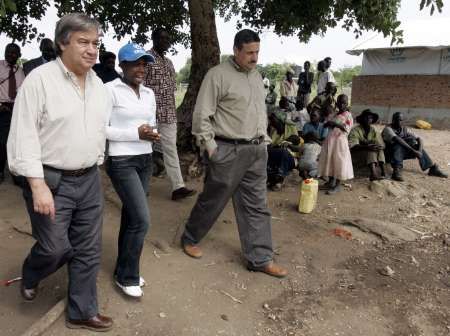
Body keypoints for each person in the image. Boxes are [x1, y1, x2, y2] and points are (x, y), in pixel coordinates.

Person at [7, 13, 113, 331]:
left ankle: (81, 310)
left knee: (88, 249)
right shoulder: (39, 81)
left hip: (90, 180)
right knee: (55, 248)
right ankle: (32, 272)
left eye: (96, 43)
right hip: (52, 182)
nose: (92, 50)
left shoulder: (99, 86)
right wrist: (37, 185)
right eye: (83, 42)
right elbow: (23, 134)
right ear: (62, 43)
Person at [181, 29, 287, 278]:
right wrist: (211, 148)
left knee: (257, 206)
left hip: (256, 151)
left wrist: (265, 141)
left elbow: (258, 112)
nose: (254, 57)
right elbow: (201, 115)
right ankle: (189, 238)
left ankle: (259, 258)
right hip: (227, 150)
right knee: (213, 200)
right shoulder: (217, 75)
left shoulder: (257, 76)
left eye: (257, 52)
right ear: (236, 50)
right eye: (249, 52)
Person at [105, 43, 158, 298]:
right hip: (121, 161)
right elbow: (100, 128)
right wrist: (133, 133)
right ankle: (127, 277)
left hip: (144, 160)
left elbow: (151, 124)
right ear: (122, 65)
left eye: (144, 63)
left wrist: (151, 135)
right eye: (136, 63)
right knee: (141, 219)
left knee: (131, 217)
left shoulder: (149, 93)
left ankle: (125, 270)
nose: (141, 68)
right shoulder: (109, 91)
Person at [144, 27, 195, 201]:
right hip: (149, 114)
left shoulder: (169, 63)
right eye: (162, 38)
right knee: (143, 149)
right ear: (154, 38)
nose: (166, 42)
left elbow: (172, 90)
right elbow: (140, 86)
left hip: (168, 115)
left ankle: (178, 187)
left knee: (171, 150)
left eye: (168, 39)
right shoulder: (146, 59)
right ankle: (140, 187)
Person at [382, 112, 447, 181]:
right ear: (393, 120)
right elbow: (398, 139)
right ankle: (396, 170)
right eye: (398, 120)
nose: (401, 122)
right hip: (388, 155)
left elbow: (419, 139)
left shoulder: (404, 129)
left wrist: (419, 151)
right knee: (399, 144)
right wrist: (413, 151)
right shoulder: (388, 129)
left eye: (402, 120)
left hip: (398, 154)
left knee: (415, 144)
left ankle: (432, 168)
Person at [318, 94, 354, 194]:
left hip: (340, 143)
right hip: (330, 141)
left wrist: (334, 124)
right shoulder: (334, 114)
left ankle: (337, 186)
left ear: (347, 104)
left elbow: (346, 129)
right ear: (337, 103)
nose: (342, 105)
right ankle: (330, 182)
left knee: (339, 162)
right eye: (340, 102)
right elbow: (326, 125)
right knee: (330, 161)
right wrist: (328, 123)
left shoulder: (348, 116)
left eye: (344, 103)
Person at [0, 43, 25, 184]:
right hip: (2, 108)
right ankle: (1, 171)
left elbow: (22, 90)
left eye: (15, 53)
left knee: (17, 141)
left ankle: (16, 174)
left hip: (17, 108)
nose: (11, 55)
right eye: (8, 52)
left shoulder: (20, 71)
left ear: (19, 55)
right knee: (2, 142)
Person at [348, 109, 386, 181]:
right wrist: (366, 147)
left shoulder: (373, 130)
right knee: (370, 150)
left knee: (378, 149)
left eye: (371, 118)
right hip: (356, 155)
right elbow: (353, 146)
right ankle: (373, 174)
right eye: (366, 118)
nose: (369, 120)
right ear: (362, 119)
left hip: (369, 156)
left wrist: (377, 146)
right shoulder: (355, 130)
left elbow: (382, 145)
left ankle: (383, 172)